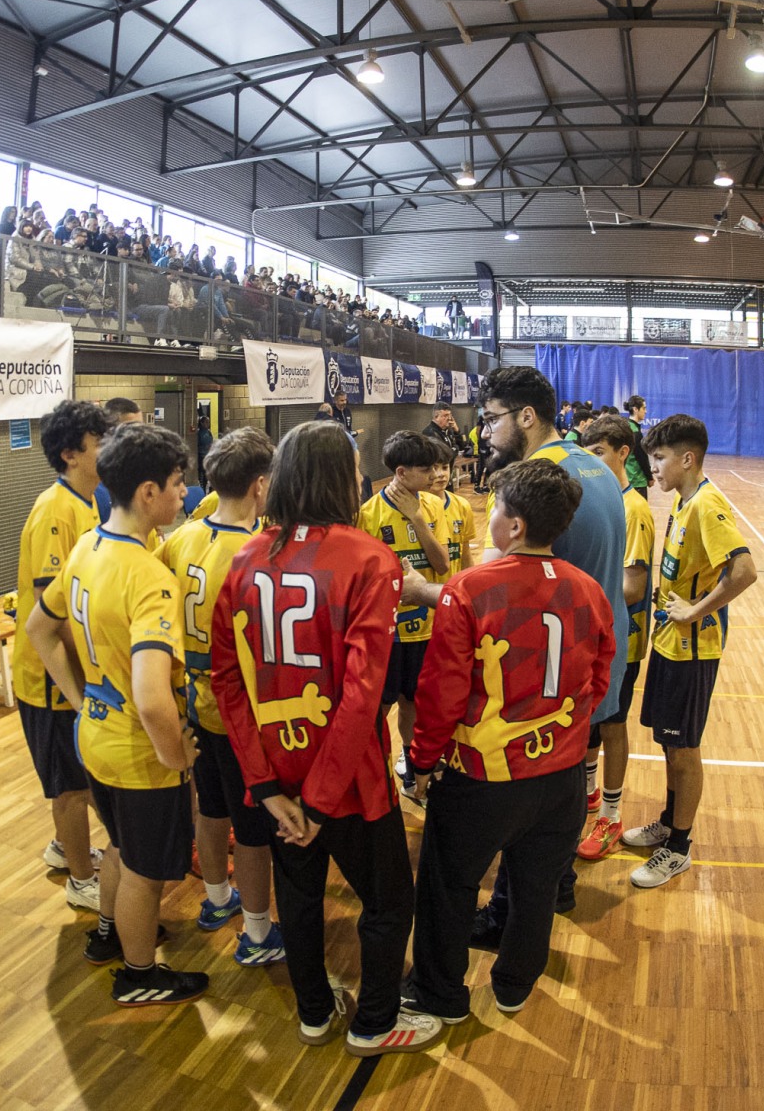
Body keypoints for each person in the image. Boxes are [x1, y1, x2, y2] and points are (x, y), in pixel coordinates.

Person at [212, 421, 443, 1057]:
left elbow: (226, 682)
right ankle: (374, 1022)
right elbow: (363, 695)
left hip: (278, 772)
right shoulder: (369, 559)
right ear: (343, 478)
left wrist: (265, 786)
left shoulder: (244, 558)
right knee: (390, 901)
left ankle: (314, 1012)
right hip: (348, 779)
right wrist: (319, 799)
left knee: (299, 895)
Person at [401, 459, 616, 1022]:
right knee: (536, 887)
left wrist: (420, 762)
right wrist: (565, 731)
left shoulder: (471, 588)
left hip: (484, 778)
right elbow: (599, 676)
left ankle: (440, 995)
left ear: (514, 525)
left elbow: (442, 692)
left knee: (448, 885)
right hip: (562, 779)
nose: (491, 516)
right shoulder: (590, 590)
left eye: (495, 507)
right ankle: (515, 985)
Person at [27, 423, 208, 1007]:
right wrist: (175, 757)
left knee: (122, 850)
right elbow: (153, 699)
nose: (183, 494)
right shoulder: (149, 577)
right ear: (149, 492)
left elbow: (39, 628)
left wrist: (82, 702)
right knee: (144, 872)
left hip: (95, 735)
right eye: (177, 483)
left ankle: (109, 933)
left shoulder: (89, 545)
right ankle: (138, 974)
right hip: (137, 754)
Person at [456, 366, 627, 925]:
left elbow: (487, 593)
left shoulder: (527, 485)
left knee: (524, 792)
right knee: (561, 783)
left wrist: (418, 590)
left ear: (526, 417)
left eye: (491, 420)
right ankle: (557, 885)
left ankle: (514, 909)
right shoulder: (597, 467)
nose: (485, 433)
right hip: (594, 658)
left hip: (550, 668)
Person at [155, 428, 286, 967]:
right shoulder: (259, 551)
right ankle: (256, 933)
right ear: (260, 485)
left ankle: (215, 899)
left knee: (210, 808)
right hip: (241, 709)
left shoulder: (181, 538)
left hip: (193, 697)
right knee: (251, 828)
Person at [625, 414, 758, 888]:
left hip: (693, 649)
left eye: (659, 458)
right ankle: (668, 821)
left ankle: (679, 848)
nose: (653, 468)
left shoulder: (706, 503)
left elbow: (744, 571)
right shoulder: (683, 502)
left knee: (684, 748)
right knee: (669, 742)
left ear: (687, 459)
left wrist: (695, 611)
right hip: (669, 642)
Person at [10, 400, 116, 911]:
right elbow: (54, 611)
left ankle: (62, 847)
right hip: (49, 680)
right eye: (100, 443)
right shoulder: (56, 510)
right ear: (72, 454)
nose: (108, 449)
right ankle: (80, 879)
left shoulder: (87, 500)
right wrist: (95, 668)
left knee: (76, 777)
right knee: (70, 786)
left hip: (72, 672)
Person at [575, 414, 655, 859]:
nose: (592, 462)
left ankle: (611, 813)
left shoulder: (634, 508)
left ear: (624, 453)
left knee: (612, 723)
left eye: (600, 453)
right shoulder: (601, 497)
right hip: (595, 632)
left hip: (624, 637)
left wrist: (579, 591)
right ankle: (589, 792)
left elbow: (633, 587)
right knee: (589, 719)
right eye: (587, 453)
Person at [358, 431, 452, 799]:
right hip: (386, 634)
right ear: (401, 472)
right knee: (378, 706)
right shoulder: (368, 514)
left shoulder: (432, 506)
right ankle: (368, 773)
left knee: (412, 702)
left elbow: (442, 565)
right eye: (426, 469)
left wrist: (417, 520)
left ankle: (411, 772)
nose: (434, 475)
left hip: (426, 629)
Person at [94, 398, 143, 519]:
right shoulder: (94, 484)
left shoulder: (140, 474)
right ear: (109, 431)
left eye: (141, 428)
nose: (139, 436)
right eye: (131, 429)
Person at [429, 445, 473, 574]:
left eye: (445, 467)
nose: (441, 474)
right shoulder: (414, 507)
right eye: (434, 468)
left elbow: (466, 554)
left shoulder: (462, 505)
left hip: (452, 583)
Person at [623, 395, 652, 500]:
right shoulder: (635, 432)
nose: (646, 411)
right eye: (644, 408)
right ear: (635, 409)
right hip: (637, 480)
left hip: (626, 479)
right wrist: (649, 477)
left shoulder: (625, 426)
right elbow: (642, 457)